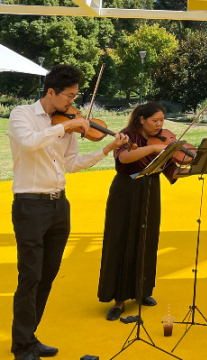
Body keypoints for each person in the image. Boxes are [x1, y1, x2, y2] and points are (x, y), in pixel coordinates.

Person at [8, 64, 129, 360]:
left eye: (75, 97)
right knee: (30, 276)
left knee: (48, 274)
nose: (73, 104)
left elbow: (72, 163)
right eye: (69, 97)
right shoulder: (21, 115)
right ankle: (21, 345)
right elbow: (28, 143)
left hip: (59, 205)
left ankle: (30, 337)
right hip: (30, 204)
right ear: (51, 92)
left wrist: (105, 149)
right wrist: (65, 127)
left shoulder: (69, 123)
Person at [97, 102, 181, 321]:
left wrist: (198, 168)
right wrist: (153, 148)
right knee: (121, 241)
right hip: (126, 190)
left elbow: (172, 170)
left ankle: (142, 292)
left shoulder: (163, 139)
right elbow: (123, 158)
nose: (160, 125)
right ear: (142, 119)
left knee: (147, 239)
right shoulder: (126, 136)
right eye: (155, 121)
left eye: (162, 120)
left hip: (151, 190)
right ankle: (118, 300)